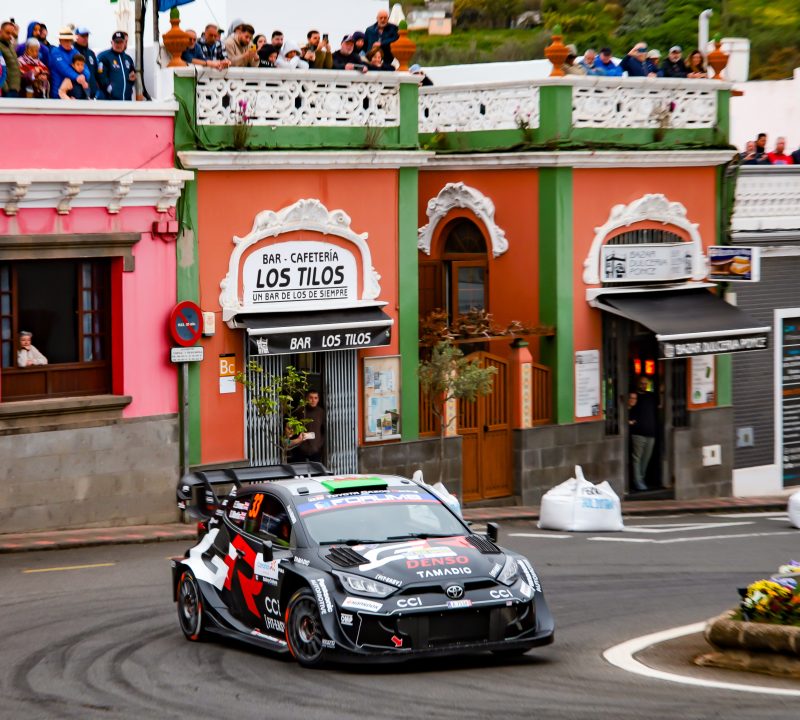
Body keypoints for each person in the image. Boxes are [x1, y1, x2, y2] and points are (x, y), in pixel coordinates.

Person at [628, 377, 657, 492]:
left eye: (646, 383)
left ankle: (641, 479)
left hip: (651, 433)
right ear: (638, 383)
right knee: (637, 458)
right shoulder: (634, 396)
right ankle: (638, 482)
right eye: (642, 383)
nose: (644, 385)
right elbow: (628, 408)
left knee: (646, 458)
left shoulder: (651, 396)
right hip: (638, 433)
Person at [48, 25, 90, 99]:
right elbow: (64, 69)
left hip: (74, 94)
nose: (68, 43)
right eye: (65, 40)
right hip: (58, 94)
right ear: (60, 40)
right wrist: (77, 77)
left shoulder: (75, 52)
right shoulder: (55, 52)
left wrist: (84, 76)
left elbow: (85, 67)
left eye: (70, 40)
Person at [287, 391, 326, 462]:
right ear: (306, 399)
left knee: (315, 468)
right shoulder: (299, 411)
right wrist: (295, 440)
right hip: (299, 449)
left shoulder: (321, 412)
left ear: (318, 399)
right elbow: (289, 434)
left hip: (315, 450)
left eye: (315, 398)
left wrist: (320, 444)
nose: (313, 400)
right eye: (311, 398)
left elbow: (324, 430)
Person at [96, 31, 136, 100]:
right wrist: (110, 90)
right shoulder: (103, 56)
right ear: (112, 42)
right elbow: (101, 77)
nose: (118, 45)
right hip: (108, 100)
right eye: (116, 42)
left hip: (126, 100)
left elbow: (132, 75)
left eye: (121, 42)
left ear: (125, 43)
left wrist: (132, 79)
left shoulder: (128, 59)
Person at [74, 27, 98, 97]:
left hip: (92, 93)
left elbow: (95, 72)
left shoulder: (91, 53)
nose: (85, 38)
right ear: (76, 37)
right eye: (83, 36)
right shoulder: (73, 52)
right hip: (78, 93)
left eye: (87, 36)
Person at [0, 20, 21, 97]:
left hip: (15, 88)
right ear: (0, 32)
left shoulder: (10, 45)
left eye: (12, 34)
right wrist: (5, 88)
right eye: (7, 33)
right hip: (7, 90)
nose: (10, 36)